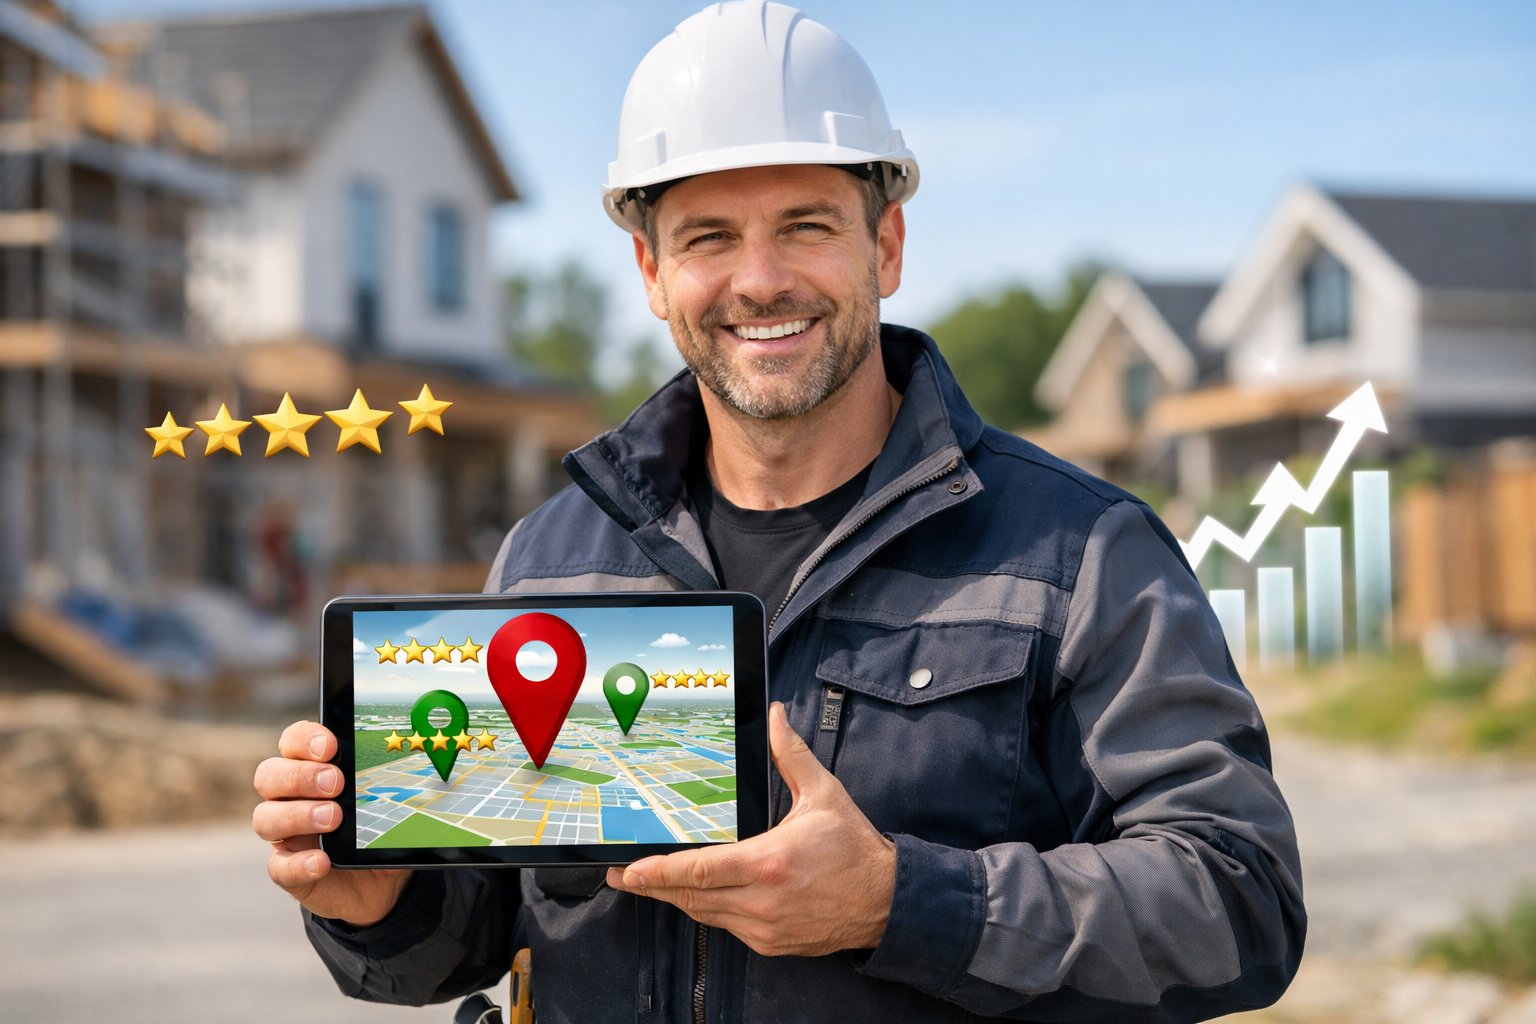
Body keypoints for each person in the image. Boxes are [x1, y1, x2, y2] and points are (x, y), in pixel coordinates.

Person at [252, 3, 1305, 1021]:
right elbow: (493, 923)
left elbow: (1240, 900)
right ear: (652, 272)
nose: (759, 281)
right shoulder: (553, 557)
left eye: (805, 226)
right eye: (709, 237)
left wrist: (901, 901)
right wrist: (381, 909)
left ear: (885, 246)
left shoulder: (1078, 552)